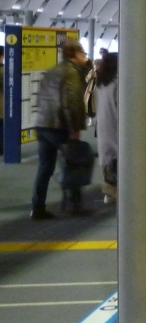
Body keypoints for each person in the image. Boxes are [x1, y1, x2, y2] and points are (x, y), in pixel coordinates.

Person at [30, 39, 89, 219]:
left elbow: (41, 97)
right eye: (83, 53)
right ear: (76, 54)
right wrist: (74, 129)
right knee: (75, 162)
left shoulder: (51, 71)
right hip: (60, 126)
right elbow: (69, 104)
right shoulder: (71, 73)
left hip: (42, 124)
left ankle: (38, 207)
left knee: (45, 167)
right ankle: (74, 205)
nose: (85, 56)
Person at [93, 51, 118, 205]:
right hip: (116, 124)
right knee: (119, 157)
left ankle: (109, 192)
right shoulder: (118, 83)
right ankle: (119, 191)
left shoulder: (100, 83)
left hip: (102, 125)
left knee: (107, 157)